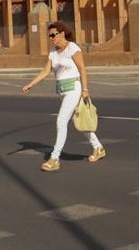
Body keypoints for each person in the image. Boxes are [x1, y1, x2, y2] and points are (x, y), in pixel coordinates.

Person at [21, 20, 105, 171]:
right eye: (50, 35)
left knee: (61, 121)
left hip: (74, 88)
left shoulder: (72, 48)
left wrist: (85, 90)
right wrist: (31, 84)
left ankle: (54, 158)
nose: (52, 37)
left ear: (62, 33)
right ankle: (98, 147)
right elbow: (46, 71)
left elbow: (82, 69)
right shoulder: (53, 52)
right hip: (62, 90)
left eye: (54, 34)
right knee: (78, 120)